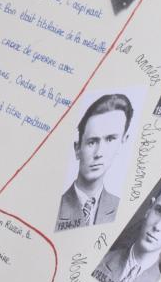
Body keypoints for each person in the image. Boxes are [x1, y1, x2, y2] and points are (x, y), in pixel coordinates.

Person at [55, 94, 132, 232]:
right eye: (92, 142)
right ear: (77, 148)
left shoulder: (122, 211)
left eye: (110, 139)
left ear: (122, 142)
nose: (99, 153)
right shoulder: (54, 207)